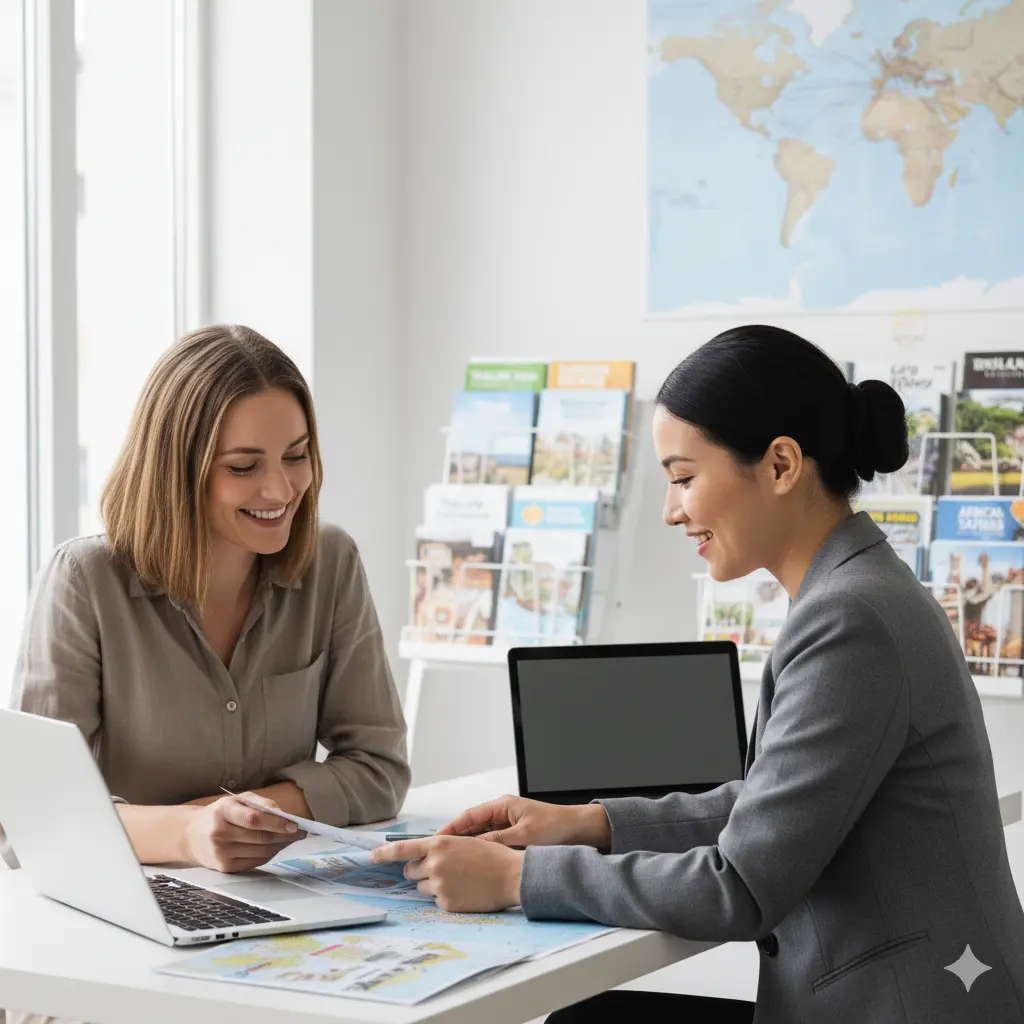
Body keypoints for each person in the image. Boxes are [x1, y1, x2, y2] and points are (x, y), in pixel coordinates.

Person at [373, 326, 1024, 1023]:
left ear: (780, 465)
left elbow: (739, 886)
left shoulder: (850, 619)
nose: (669, 509)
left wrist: (516, 876)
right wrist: (589, 824)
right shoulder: (859, 591)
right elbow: (773, 808)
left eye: (684, 478)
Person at [2, 324, 410, 878]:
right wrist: (187, 833)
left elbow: (379, 771)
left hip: (281, 890)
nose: (281, 490)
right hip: (128, 901)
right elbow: (29, 816)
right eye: (243, 467)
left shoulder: (331, 560)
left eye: (296, 456)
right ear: (176, 471)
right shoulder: (85, 580)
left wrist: (247, 817)